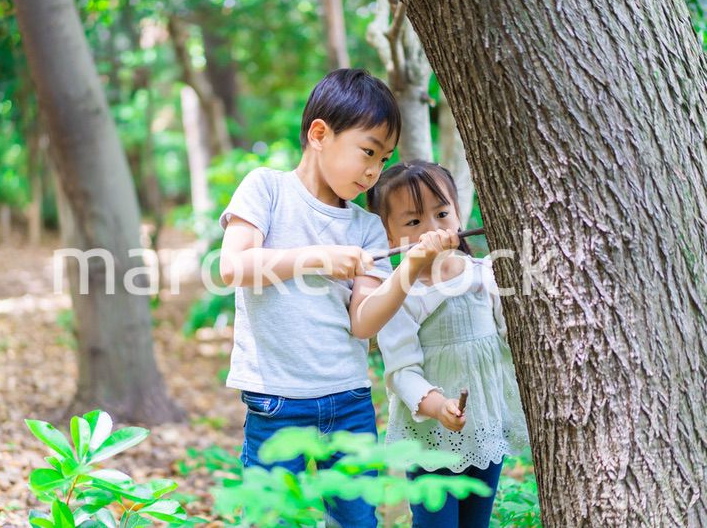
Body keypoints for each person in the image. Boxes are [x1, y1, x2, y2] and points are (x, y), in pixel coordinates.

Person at [218, 70, 458, 527]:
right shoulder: (266, 189)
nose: (373, 171)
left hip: (348, 400)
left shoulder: (366, 227)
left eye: (383, 159)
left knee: (356, 520)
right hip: (275, 398)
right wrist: (316, 258)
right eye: (367, 151)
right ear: (320, 134)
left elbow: (363, 324)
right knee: (270, 518)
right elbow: (234, 267)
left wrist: (407, 267)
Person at [368, 160, 529, 528]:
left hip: (484, 421)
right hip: (430, 432)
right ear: (390, 237)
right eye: (413, 222)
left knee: (476, 522)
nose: (432, 230)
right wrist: (438, 406)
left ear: (458, 215)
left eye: (441, 214)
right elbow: (401, 371)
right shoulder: (400, 294)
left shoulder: (485, 274)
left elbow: (510, 336)